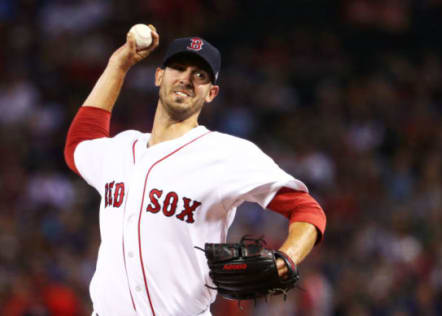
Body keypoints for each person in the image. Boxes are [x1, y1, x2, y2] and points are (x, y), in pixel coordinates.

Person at [64, 25, 326, 316]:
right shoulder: (121, 149)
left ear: (211, 93)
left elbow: (307, 209)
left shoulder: (226, 154)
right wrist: (119, 65)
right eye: (178, 67)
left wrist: (287, 257)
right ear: (159, 76)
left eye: (200, 75)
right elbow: (80, 142)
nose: (187, 78)